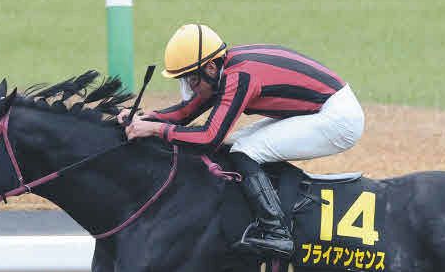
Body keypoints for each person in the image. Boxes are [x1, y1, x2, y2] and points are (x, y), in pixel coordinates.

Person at [120, 24, 364, 258]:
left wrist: (154, 130)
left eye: (191, 80)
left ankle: (277, 232)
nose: (191, 88)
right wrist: (143, 118)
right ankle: (257, 214)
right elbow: (186, 112)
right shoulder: (222, 69)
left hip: (339, 118)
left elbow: (208, 138)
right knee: (233, 148)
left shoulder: (239, 77)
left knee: (245, 151)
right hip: (319, 109)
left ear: (211, 68)